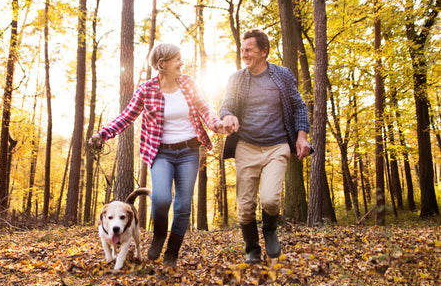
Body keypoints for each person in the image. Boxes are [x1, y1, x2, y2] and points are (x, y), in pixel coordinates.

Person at [89, 43, 225, 267]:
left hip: (189, 150)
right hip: (160, 152)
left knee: (182, 206)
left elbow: (205, 109)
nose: (182, 63)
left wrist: (217, 124)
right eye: (177, 59)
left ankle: (172, 250)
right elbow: (126, 116)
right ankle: (160, 234)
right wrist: (103, 134)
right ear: (162, 64)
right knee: (161, 198)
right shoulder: (146, 89)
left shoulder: (189, 83)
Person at [219, 28, 311, 264]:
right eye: (242, 49)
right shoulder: (236, 78)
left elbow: (299, 106)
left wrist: (301, 137)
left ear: (264, 52)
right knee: (246, 206)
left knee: (270, 199)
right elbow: (227, 105)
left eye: (249, 49)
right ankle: (251, 247)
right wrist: (228, 116)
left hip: (277, 146)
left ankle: (270, 231)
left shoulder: (282, 75)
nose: (244, 54)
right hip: (246, 147)